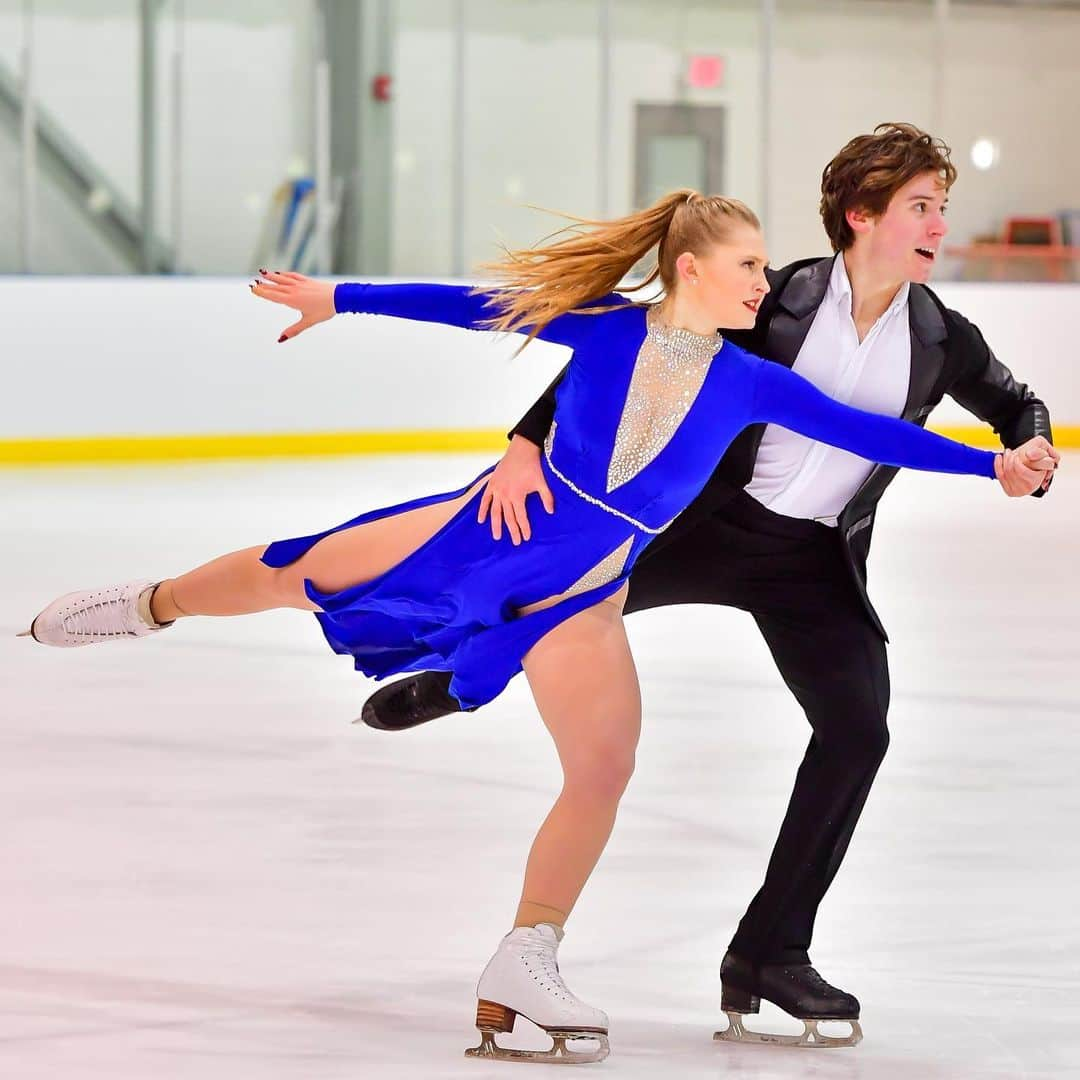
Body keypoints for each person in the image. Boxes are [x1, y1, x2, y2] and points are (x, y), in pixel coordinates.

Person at [18, 187, 1057, 1063]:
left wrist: (993, 461)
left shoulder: (750, 382)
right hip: (486, 531)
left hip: (582, 591)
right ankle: (147, 605)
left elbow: (872, 433)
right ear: (691, 269)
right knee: (298, 572)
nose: (762, 284)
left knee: (603, 768)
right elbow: (475, 305)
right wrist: (341, 297)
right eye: (746, 266)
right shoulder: (604, 328)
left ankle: (525, 960)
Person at [357, 125, 1058, 1048]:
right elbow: (642, 355)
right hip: (701, 526)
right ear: (863, 215)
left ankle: (770, 953)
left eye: (940, 206)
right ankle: (456, 678)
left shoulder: (942, 335)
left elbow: (1014, 404)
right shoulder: (776, 296)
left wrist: (1032, 445)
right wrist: (528, 439)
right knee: (558, 600)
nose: (939, 223)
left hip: (813, 558)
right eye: (922, 205)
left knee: (858, 729)